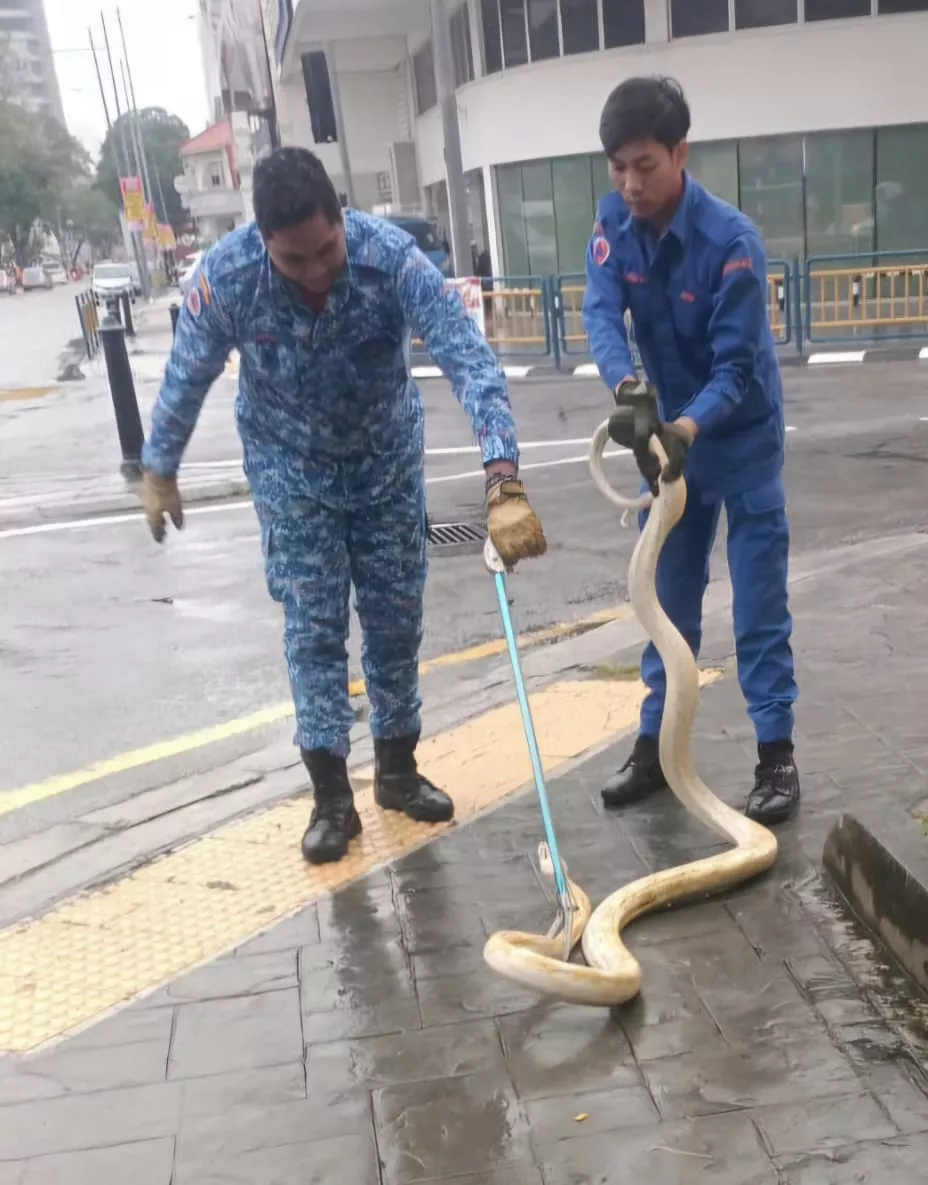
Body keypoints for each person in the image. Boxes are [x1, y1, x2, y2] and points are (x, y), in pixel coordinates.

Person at [140, 146, 547, 865]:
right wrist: (160, 466)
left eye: (325, 250)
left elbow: (465, 353)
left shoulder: (388, 257)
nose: (316, 272)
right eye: (294, 262)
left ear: (340, 217)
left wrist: (502, 474)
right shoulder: (230, 276)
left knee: (395, 617)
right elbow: (189, 368)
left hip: (385, 461)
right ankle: (332, 797)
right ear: (264, 240)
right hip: (289, 468)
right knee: (314, 626)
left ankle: (396, 768)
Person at [582, 77, 799, 826]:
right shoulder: (614, 223)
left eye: (644, 165)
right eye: (618, 167)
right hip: (670, 437)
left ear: (680, 152)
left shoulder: (731, 241)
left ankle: (776, 755)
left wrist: (684, 429)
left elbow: (737, 368)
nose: (630, 184)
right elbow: (601, 313)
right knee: (666, 597)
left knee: (758, 600)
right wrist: (628, 390)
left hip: (736, 439)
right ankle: (655, 745)